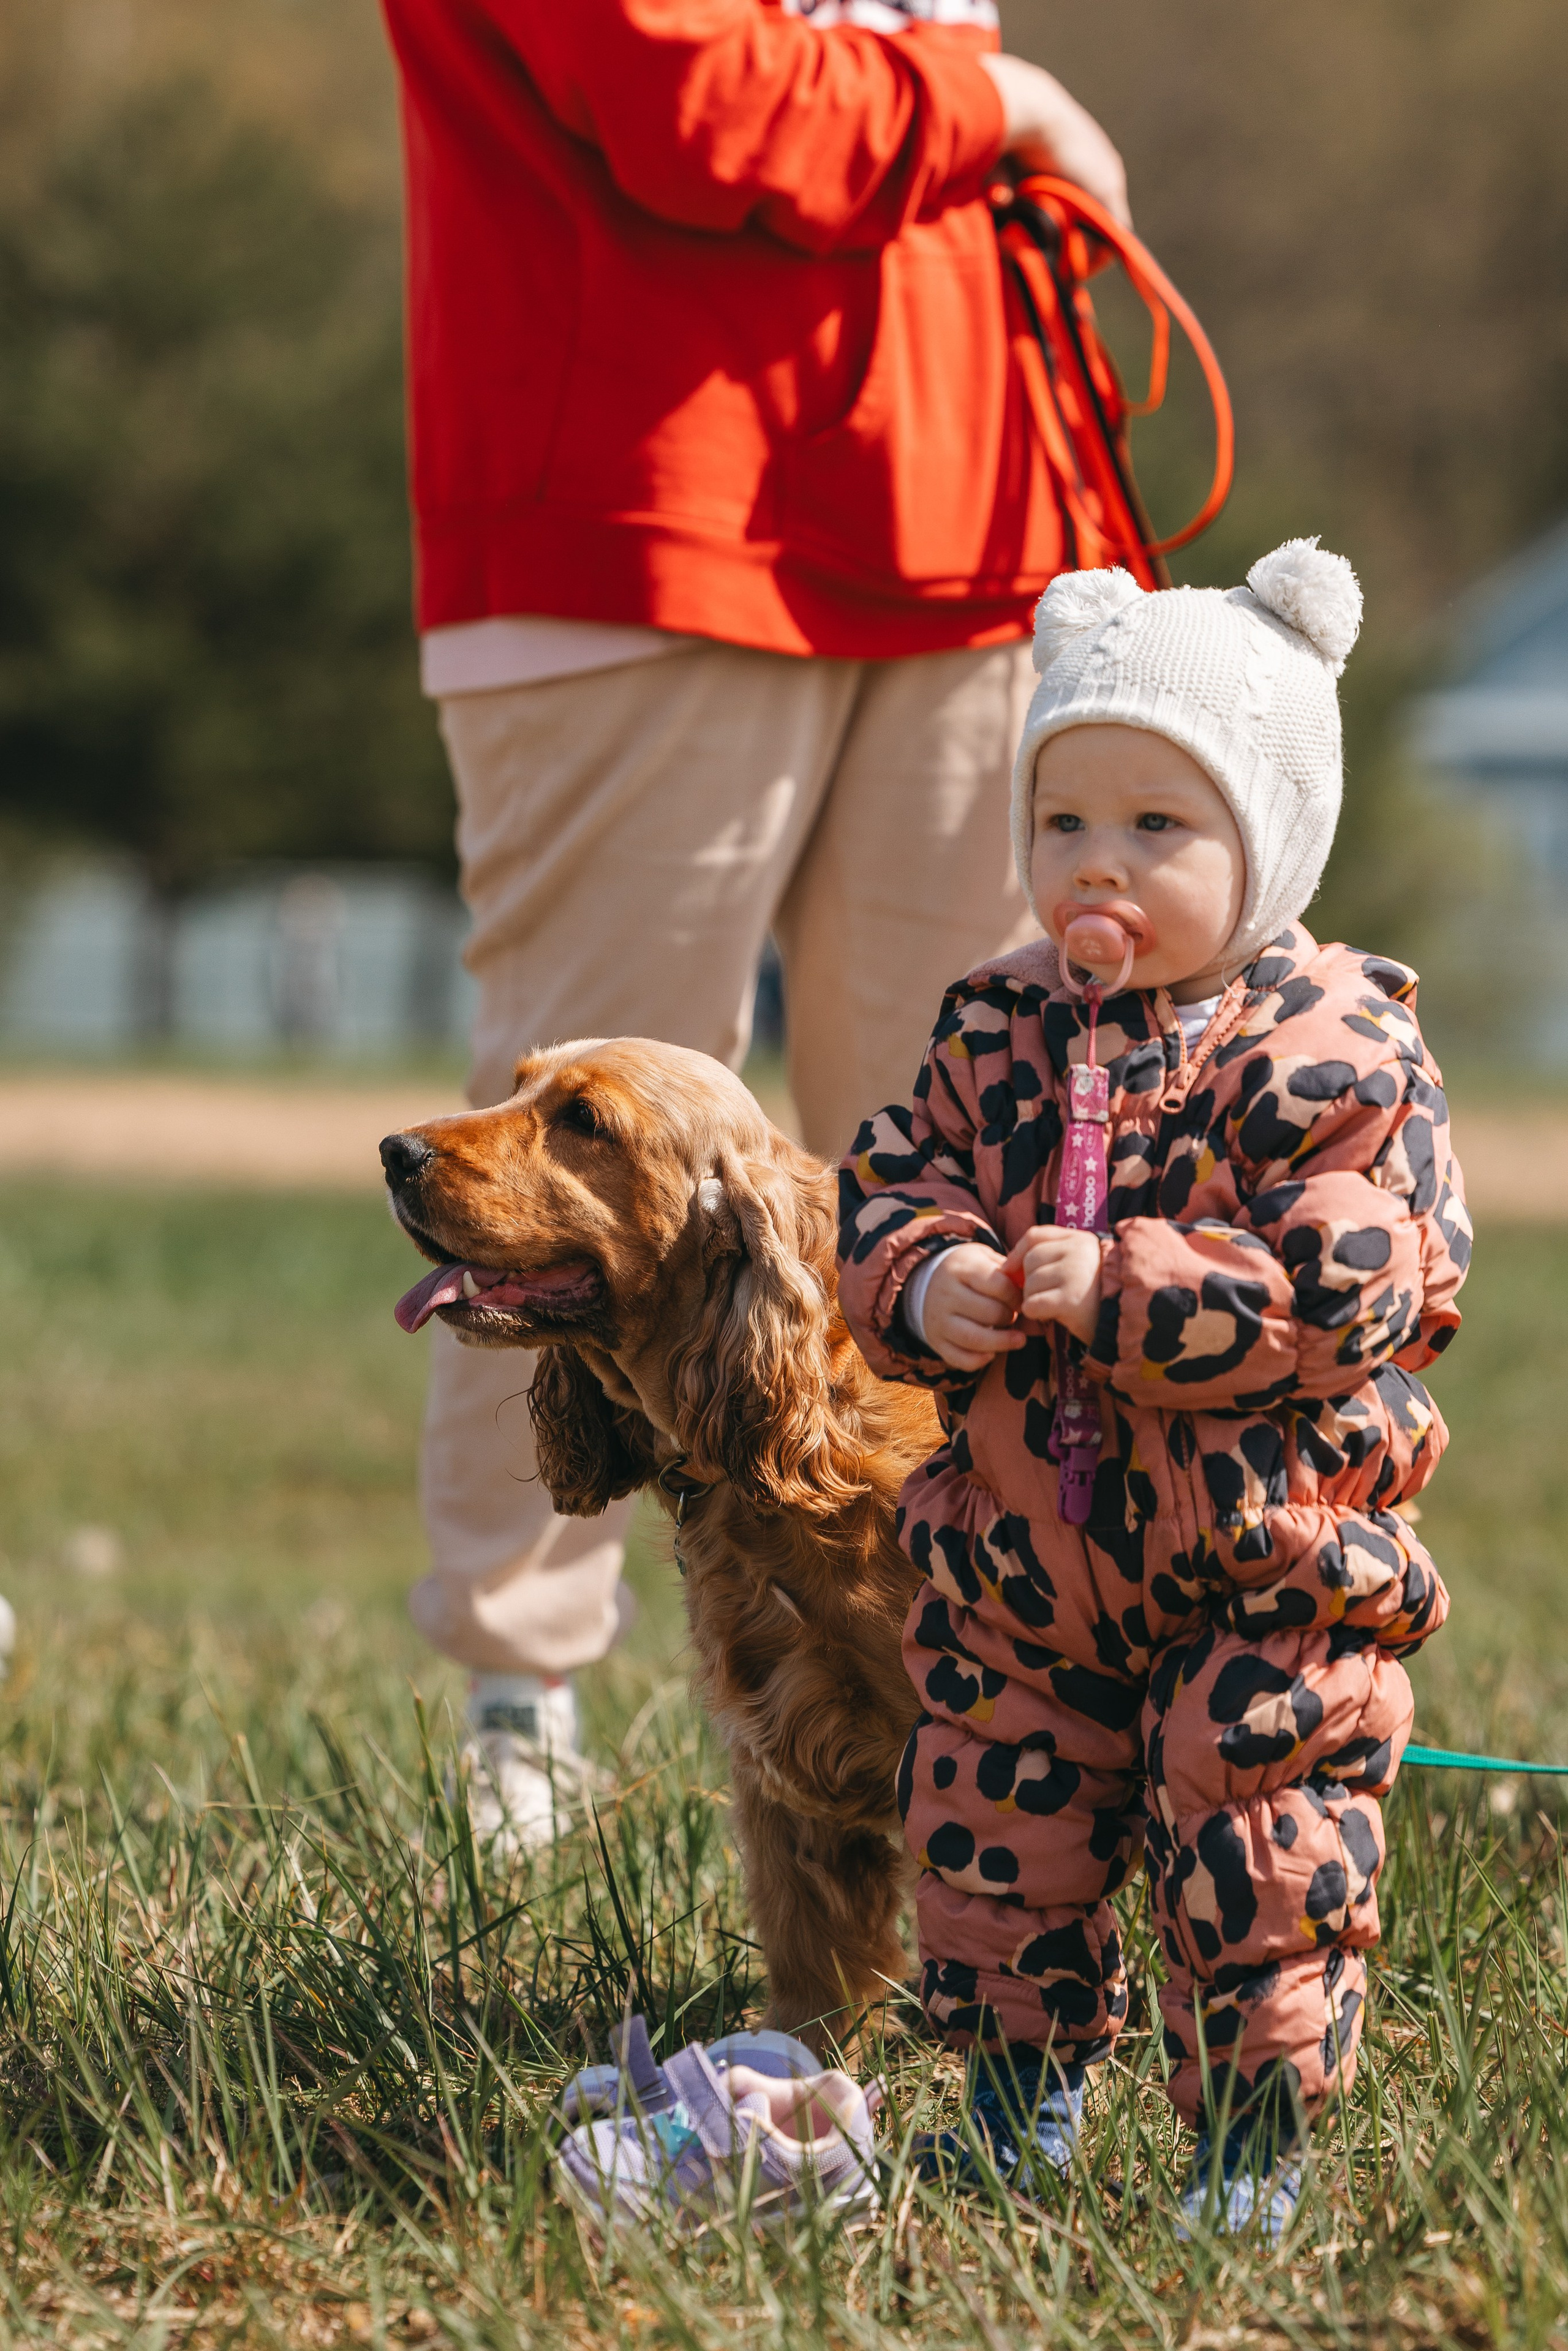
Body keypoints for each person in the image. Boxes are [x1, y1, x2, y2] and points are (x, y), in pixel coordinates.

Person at [377, 0, 1130, 1841]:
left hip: (958, 508)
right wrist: (1006, 99)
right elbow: (699, 101)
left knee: (967, 1154)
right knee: (561, 1163)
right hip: (639, 500)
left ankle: (989, 1699)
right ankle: (521, 1692)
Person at [836, 541, 1470, 2233]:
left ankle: (1247, 2150)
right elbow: (892, 1185)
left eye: (1157, 829)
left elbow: (1354, 1287)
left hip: (1260, 1558)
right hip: (1029, 1561)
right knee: (990, 1819)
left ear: (1271, 839)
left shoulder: (1331, 1046)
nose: (1095, 868)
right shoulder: (999, 1027)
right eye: (1064, 824)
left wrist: (1126, 1286)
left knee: (1255, 1837)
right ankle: (1012, 2101)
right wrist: (930, 1275)